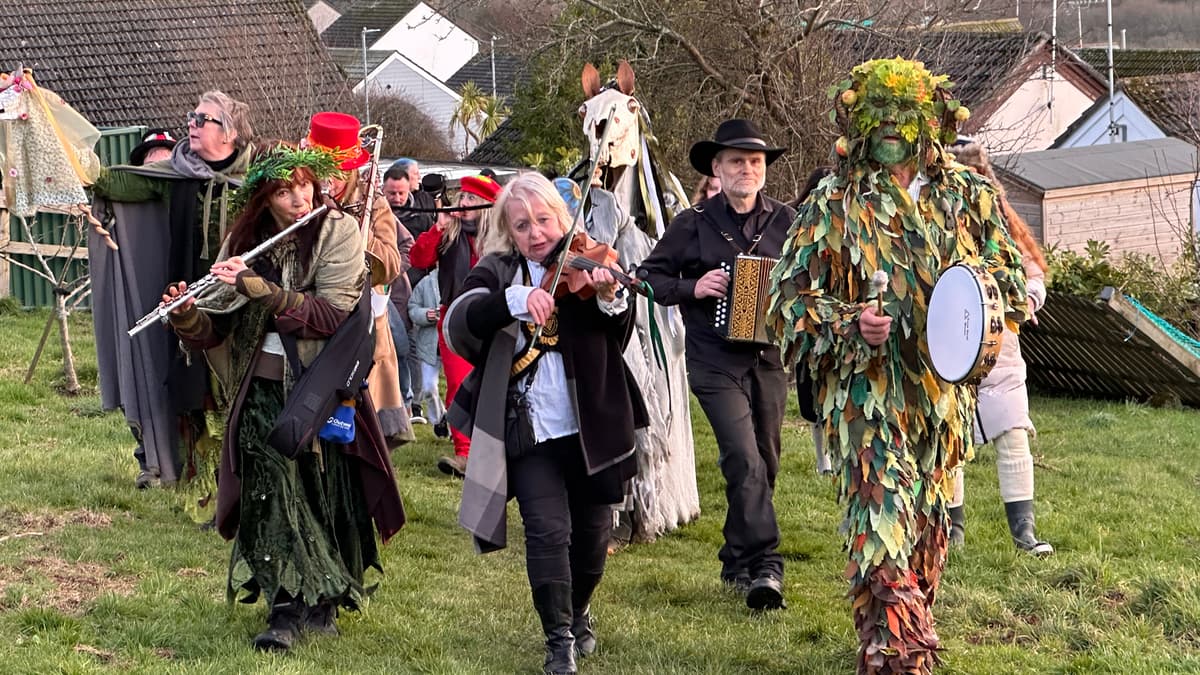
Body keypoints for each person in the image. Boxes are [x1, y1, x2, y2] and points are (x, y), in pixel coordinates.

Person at [767, 58, 1029, 673]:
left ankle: (894, 641)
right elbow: (784, 303)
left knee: (928, 541)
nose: (889, 127)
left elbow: (1014, 278)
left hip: (942, 406)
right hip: (865, 399)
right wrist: (849, 322)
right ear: (856, 123)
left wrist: (978, 291)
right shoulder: (833, 203)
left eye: (903, 115)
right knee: (879, 527)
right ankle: (901, 660)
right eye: (876, 115)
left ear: (930, 121)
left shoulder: (969, 194)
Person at [162, 143, 405, 651]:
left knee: (319, 494)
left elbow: (333, 315)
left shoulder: (338, 231)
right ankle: (286, 609)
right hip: (258, 390)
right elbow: (217, 327)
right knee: (271, 492)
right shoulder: (244, 240)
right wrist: (185, 315)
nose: (299, 199)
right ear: (263, 199)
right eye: (282, 191)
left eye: (304, 186)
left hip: (320, 389)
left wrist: (262, 290)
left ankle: (322, 598)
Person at [444, 172, 646, 675]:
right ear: (508, 232)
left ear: (561, 216)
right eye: (522, 225)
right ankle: (558, 642)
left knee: (594, 536)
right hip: (530, 430)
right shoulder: (497, 270)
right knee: (547, 531)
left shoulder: (586, 258)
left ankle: (578, 612)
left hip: (592, 423)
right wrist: (514, 300)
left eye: (543, 220)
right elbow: (458, 322)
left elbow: (617, 333)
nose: (536, 232)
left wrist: (608, 296)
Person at [637, 118, 794, 611]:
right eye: (735, 161)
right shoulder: (692, 223)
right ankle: (766, 566)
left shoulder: (787, 222)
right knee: (742, 458)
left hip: (769, 358)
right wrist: (693, 287)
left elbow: (809, 279)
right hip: (713, 359)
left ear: (764, 170)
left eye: (754, 161)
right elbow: (647, 278)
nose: (746, 169)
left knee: (764, 463)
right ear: (717, 168)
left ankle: (734, 554)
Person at [89, 90, 253, 498]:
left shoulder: (260, 179)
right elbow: (111, 181)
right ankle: (206, 487)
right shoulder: (176, 176)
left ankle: (249, 482)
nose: (192, 125)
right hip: (189, 302)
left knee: (245, 392)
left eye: (203, 119)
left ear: (229, 132)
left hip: (246, 303)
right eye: (192, 116)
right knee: (196, 391)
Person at [948, 139, 1053, 556]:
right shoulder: (930, 220)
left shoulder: (1002, 221)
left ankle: (1024, 533)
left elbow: (1032, 271)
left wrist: (1028, 297)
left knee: (1011, 432)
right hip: (947, 341)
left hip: (1000, 343)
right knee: (950, 436)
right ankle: (951, 531)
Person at [303, 111, 413, 444]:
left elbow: (392, 262)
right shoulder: (300, 192)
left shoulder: (372, 202)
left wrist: (351, 228)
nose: (329, 180)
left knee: (364, 428)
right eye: (322, 169)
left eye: (336, 171)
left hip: (361, 318)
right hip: (314, 309)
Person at [410, 173, 502, 477]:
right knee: (459, 384)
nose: (463, 203)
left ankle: (495, 453)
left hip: (494, 318)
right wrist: (437, 229)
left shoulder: (500, 239)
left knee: (495, 386)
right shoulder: (449, 233)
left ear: (486, 205)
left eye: (471, 199)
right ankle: (464, 453)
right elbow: (419, 258)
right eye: (462, 196)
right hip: (454, 317)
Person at [409, 270, 449, 438]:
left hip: (453, 346)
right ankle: (439, 420)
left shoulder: (462, 279)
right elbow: (412, 308)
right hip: (429, 347)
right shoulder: (425, 282)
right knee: (428, 387)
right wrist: (427, 315)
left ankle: (455, 426)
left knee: (456, 389)